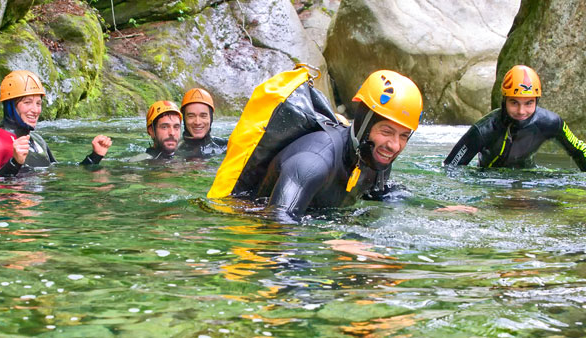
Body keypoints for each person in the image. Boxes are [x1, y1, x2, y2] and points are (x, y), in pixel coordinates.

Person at [254, 70, 424, 221]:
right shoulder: (312, 163)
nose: (394, 146)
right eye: (386, 132)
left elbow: (381, 196)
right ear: (363, 124)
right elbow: (276, 224)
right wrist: (329, 243)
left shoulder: (376, 156)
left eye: (404, 136)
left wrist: (436, 210)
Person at [444, 64, 586, 170]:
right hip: (489, 183)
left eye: (529, 103)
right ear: (505, 100)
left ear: (537, 101)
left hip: (530, 180)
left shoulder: (551, 123)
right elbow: (450, 168)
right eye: (514, 102)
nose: (521, 111)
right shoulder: (483, 130)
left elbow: (579, 150)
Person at [0, 70, 112, 177]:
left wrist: (95, 156)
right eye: (27, 102)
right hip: (16, 204)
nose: (35, 110)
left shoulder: (38, 141)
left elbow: (59, 174)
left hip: (38, 202)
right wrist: (15, 162)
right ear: (11, 106)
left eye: (38, 103)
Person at [178, 88, 227, 159]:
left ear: (211, 118)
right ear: (184, 119)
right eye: (191, 116)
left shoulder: (226, 146)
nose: (197, 122)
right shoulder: (173, 150)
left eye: (203, 116)